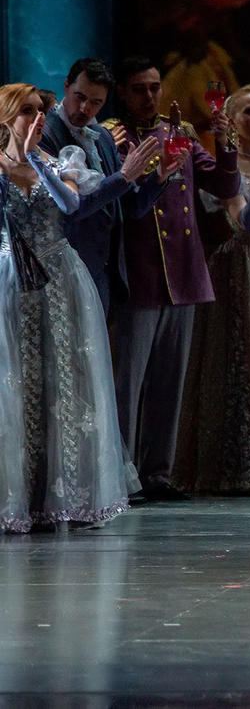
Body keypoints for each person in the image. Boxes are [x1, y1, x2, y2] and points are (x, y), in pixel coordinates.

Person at [0, 83, 138, 532]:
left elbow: (71, 204)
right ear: (7, 117)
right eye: (27, 111)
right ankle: (19, 496)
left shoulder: (60, 162)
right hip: (11, 279)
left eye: (41, 111)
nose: (38, 118)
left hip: (60, 279)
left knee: (62, 381)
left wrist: (35, 158)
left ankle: (62, 495)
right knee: (17, 382)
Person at [111, 56, 241, 503]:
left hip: (182, 272)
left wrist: (224, 142)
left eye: (154, 87)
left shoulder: (178, 132)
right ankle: (123, 475)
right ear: (123, 93)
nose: (149, 96)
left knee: (170, 382)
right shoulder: (114, 137)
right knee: (128, 385)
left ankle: (158, 474)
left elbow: (224, 187)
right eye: (139, 89)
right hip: (140, 271)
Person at [172, 85, 250, 495]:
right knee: (239, 363)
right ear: (232, 121)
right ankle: (235, 466)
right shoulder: (229, 168)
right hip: (237, 268)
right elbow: (242, 221)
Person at [39, 58, 166, 314]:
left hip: (103, 271)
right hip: (63, 269)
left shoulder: (103, 137)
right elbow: (68, 209)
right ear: (66, 86)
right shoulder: (45, 135)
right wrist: (122, 177)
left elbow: (130, 206)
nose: (85, 109)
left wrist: (161, 175)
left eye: (96, 102)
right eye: (80, 97)